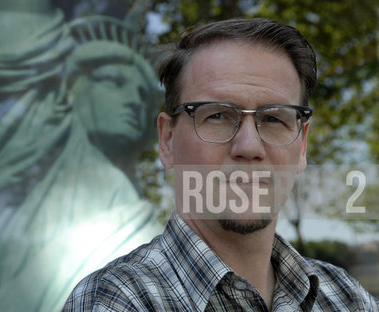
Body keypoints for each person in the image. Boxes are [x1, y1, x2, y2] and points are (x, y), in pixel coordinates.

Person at [62, 18, 379, 311]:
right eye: (217, 115)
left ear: (302, 145)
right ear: (167, 139)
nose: (250, 147)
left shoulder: (346, 297)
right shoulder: (116, 300)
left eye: (273, 119)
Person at [0, 0, 163, 310]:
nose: (133, 99)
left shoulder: (129, 203)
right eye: (114, 81)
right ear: (68, 91)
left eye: (142, 92)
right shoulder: (27, 143)